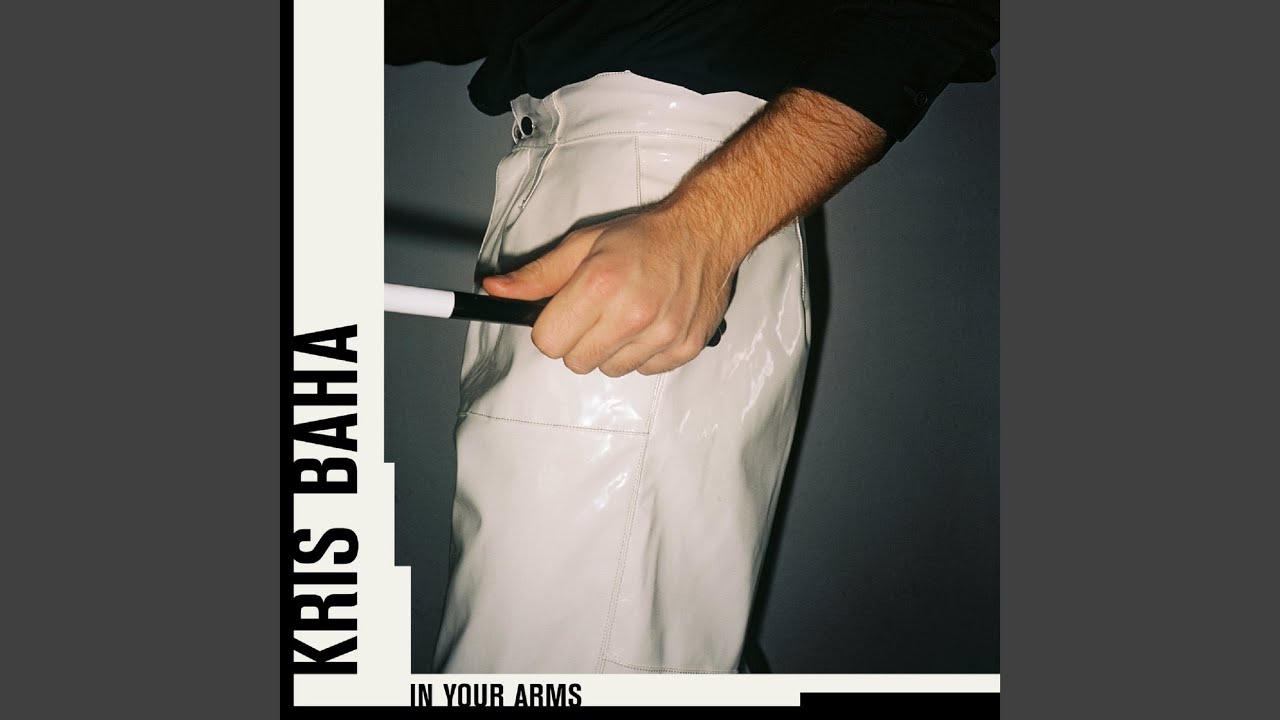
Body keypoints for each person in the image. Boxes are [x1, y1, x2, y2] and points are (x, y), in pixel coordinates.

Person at [386, 0, 998, 673]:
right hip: (582, 180)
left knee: (553, 657)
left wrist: (706, 225)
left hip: (662, 189)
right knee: (599, 641)